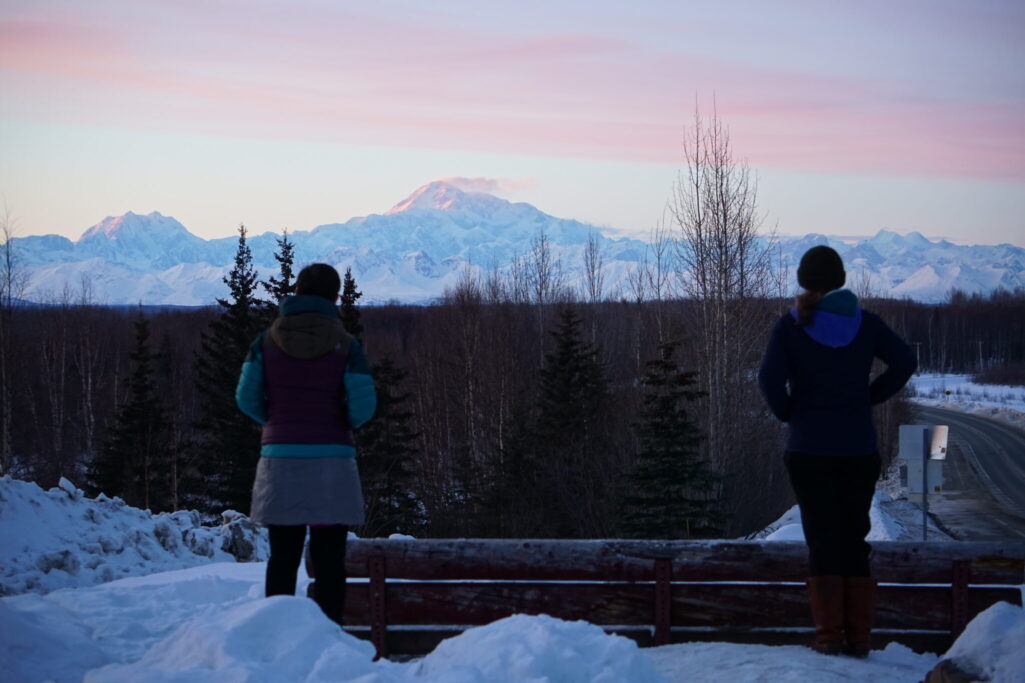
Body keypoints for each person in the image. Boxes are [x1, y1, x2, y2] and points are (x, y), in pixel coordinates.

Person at [758, 245, 915, 657]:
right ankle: (859, 637)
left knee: (822, 539)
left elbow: (769, 382)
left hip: (809, 450)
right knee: (853, 538)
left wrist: (792, 413)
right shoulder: (867, 325)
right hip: (858, 450)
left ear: (805, 281)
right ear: (841, 279)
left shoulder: (791, 326)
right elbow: (905, 361)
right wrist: (870, 397)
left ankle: (828, 636)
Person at [235, 263, 376, 626]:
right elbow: (364, 406)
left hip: (280, 461)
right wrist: (339, 423)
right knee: (330, 560)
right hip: (333, 461)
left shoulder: (264, 342)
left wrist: (277, 422)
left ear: (296, 292)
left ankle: (276, 633)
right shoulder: (346, 345)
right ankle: (328, 636)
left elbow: (246, 398)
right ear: (334, 297)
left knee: (282, 557)